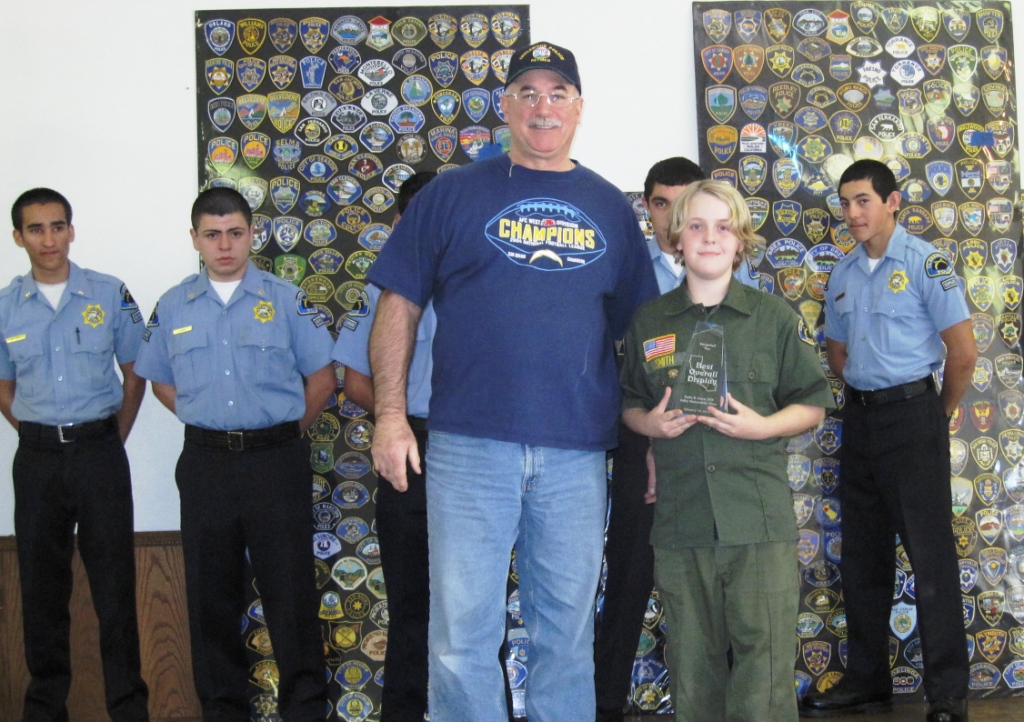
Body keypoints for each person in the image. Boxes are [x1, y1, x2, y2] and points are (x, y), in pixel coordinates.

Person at [367, 41, 658, 722]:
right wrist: (390, 416)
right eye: (528, 92)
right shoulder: (450, 195)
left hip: (575, 457)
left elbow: (641, 337)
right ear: (505, 105)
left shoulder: (611, 208)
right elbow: (397, 305)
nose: (542, 106)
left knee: (566, 635)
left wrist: (652, 443)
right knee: (460, 638)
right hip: (469, 450)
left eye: (557, 93)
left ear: (579, 108)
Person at [619, 180, 834, 722]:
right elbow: (629, 405)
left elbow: (812, 403)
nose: (709, 238)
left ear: (741, 240)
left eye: (722, 227)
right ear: (676, 238)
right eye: (695, 226)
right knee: (693, 670)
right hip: (682, 522)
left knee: (765, 673)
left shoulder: (774, 318)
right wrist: (651, 424)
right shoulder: (649, 322)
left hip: (757, 521)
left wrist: (763, 427)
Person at [134, 188, 335, 721]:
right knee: (211, 598)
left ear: (253, 234)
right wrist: (207, 420)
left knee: (290, 593)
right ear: (194, 239)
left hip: (275, 463)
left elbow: (322, 378)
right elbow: (160, 381)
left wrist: (282, 432)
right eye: (212, 235)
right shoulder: (173, 305)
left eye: (235, 233)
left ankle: (304, 711)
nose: (224, 245)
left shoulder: (287, 299)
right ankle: (223, 711)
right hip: (207, 465)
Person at [800, 160, 973, 722]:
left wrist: (934, 414)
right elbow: (837, 351)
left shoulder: (926, 263)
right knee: (862, 557)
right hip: (861, 420)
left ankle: (947, 692)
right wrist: (867, 392)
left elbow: (963, 353)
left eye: (863, 201)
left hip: (914, 417)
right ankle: (867, 680)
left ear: (892, 201)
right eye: (845, 202)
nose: (852, 213)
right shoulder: (843, 273)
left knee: (931, 558)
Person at [596, 157, 760, 721]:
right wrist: (647, 442)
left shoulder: (733, 272)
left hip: (718, 450)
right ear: (647, 208)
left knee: (728, 590)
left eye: (685, 204)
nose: (673, 217)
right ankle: (604, 706)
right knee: (628, 580)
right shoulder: (625, 269)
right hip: (642, 437)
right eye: (662, 204)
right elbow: (615, 371)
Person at [0, 188, 149, 722]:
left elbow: (135, 373)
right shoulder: (5, 305)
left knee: (116, 591)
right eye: (36, 229)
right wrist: (40, 432)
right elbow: (4, 386)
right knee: (41, 592)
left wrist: (111, 437)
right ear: (18, 237)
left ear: (71, 230)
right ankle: (45, 711)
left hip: (99, 454)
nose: (49, 239)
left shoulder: (109, 293)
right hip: (37, 461)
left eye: (57, 226)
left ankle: (128, 709)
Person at [332, 171, 437, 722]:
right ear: (398, 222)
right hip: (409, 444)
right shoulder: (380, 287)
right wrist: (397, 420)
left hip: (478, 448)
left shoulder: (481, 281)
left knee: (476, 609)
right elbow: (354, 381)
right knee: (410, 605)